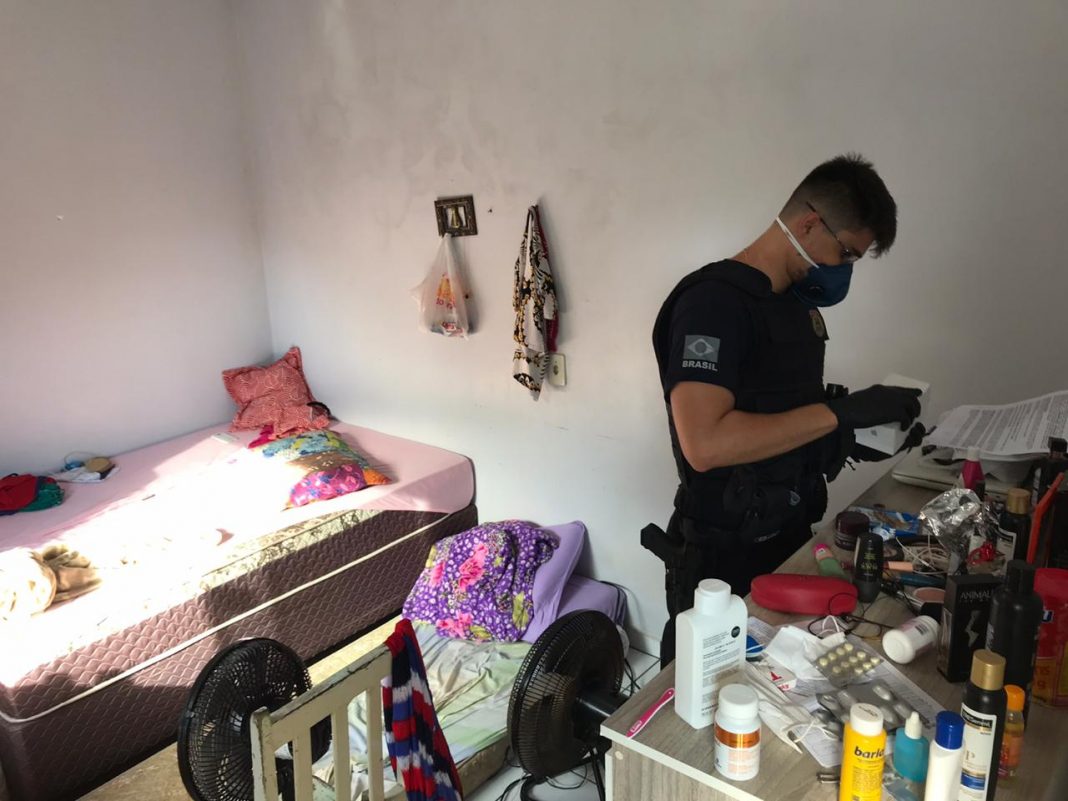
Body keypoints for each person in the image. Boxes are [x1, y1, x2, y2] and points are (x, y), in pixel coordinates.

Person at [646, 153, 923, 666]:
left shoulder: (796, 309)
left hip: (789, 538)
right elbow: (705, 444)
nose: (844, 269)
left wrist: (859, 432)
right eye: (846, 252)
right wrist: (841, 414)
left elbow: (783, 424)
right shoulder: (713, 305)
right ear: (810, 223)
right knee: (705, 696)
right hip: (724, 556)